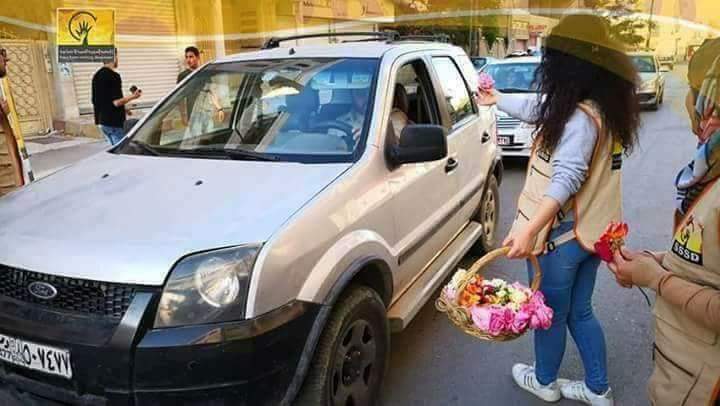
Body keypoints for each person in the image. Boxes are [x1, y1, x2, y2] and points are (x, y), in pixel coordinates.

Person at [477, 15, 640, 405]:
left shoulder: (580, 119)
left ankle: (545, 381)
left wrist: (530, 229)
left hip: (561, 239)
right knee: (579, 311)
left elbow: (566, 178)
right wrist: (498, 98)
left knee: (547, 313)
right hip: (590, 236)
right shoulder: (601, 106)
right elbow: (542, 109)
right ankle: (598, 388)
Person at [608, 39, 720, 406]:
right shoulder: (709, 172)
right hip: (684, 376)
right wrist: (658, 261)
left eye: (697, 95)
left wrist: (656, 278)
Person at [91, 50, 141, 145]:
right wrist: (134, 96)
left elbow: (100, 100)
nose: (118, 59)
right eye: (117, 56)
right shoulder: (114, 76)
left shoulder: (96, 75)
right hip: (114, 123)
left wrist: (124, 109)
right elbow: (116, 102)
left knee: (113, 150)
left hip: (103, 122)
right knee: (122, 150)